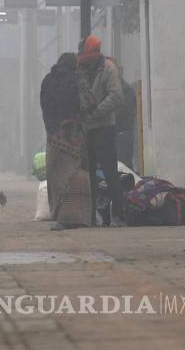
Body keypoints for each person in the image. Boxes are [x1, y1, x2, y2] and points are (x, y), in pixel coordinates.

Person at [39, 52, 92, 229]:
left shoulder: (48, 80)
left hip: (54, 137)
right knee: (76, 174)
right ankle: (78, 217)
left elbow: (43, 105)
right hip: (74, 137)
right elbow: (89, 103)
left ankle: (59, 215)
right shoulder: (78, 80)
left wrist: (52, 127)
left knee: (57, 176)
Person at [78, 35, 125, 226]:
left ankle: (118, 215)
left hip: (104, 128)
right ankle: (91, 215)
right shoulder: (82, 69)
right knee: (88, 176)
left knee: (110, 172)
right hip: (86, 129)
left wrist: (95, 113)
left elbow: (116, 96)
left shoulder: (108, 69)